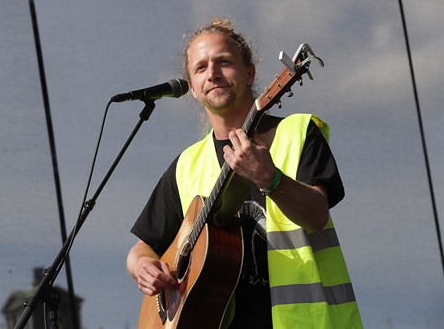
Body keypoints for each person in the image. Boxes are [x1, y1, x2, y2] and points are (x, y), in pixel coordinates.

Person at [126, 18, 362, 328]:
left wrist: (270, 178)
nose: (212, 73)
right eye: (200, 68)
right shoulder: (186, 165)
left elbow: (317, 215)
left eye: (224, 62)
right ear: (194, 89)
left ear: (249, 73)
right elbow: (142, 248)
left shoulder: (297, 132)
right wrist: (145, 266)